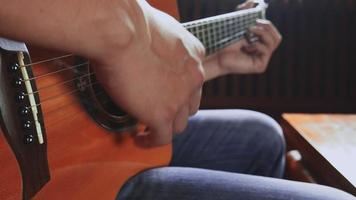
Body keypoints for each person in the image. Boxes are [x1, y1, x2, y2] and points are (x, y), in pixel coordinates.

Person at [0, 0, 354, 199]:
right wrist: (127, 25)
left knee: (262, 136)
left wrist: (210, 62)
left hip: (56, 138)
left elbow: (83, 75)